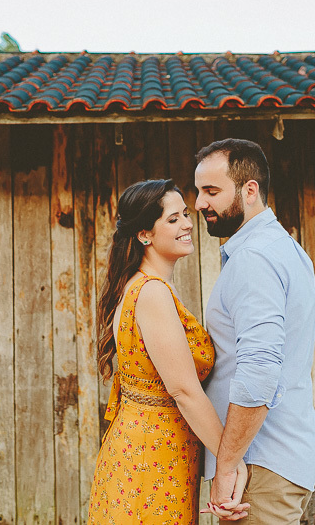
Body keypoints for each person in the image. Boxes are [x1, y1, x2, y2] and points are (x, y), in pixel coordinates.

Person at [87, 179, 249, 524]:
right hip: (151, 456)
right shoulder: (151, 293)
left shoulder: (137, 286)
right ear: (145, 234)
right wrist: (230, 461)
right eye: (173, 219)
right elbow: (184, 391)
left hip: (149, 448)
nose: (188, 224)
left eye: (186, 215)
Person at [194, 139, 315, 524]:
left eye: (211, 191)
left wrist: (227, 465)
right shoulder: (283, 249)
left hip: (258, 468)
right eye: (199, 191)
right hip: (276, 461)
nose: (199, 203)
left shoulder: (254, 258)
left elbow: (260, 368)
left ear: (250, 190)